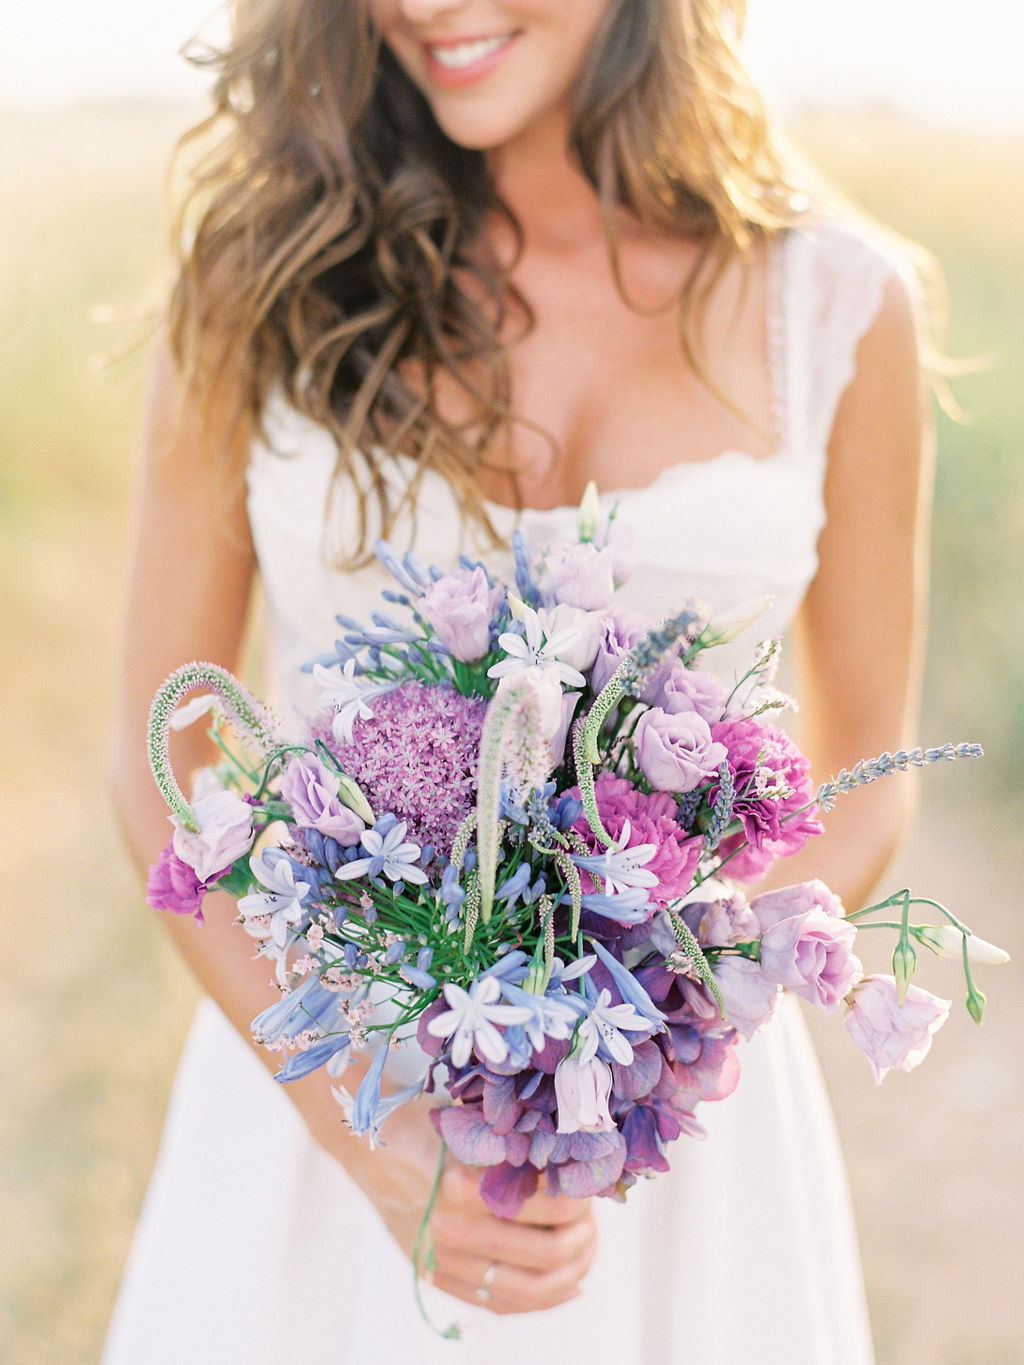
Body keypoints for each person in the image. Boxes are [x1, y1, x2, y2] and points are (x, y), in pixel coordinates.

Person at [105, 1, 929, 1361]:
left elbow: (867, 772)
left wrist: (658, 1015)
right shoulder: (258, 281)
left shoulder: (836, 308)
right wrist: (371, 1126)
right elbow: (168, 757)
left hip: (671, 1147)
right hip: (328, 1109)